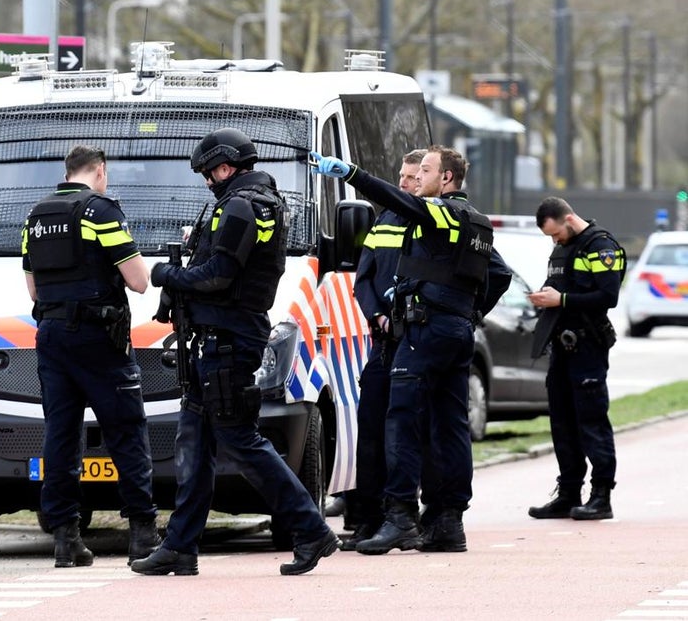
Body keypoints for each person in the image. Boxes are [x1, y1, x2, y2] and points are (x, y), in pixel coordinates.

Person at [132, 128, 339, 578]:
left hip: (229, 340)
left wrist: (167, 275)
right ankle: (180, 547)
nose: (208, 181)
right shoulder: (253, 202)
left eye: (210, 173)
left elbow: (218, 276)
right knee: (195, 443)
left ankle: (310, 529)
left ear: (225, 167)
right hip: (216, 340)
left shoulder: (242, 206)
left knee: (242, 442)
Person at [310, 145, 512, 555]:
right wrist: (468, 312)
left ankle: (401, 517)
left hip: (424, 332)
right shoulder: (476, 221)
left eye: (426, 171)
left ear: (447, 179)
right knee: (449, 426)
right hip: (455, 333)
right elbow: (492, 275)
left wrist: (352, 173)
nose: (418, 178)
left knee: (400, 420)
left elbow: (398, 200)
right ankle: (446, 523)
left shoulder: (445, 213)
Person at [22, 145, 159, 568]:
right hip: (99, 338)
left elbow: (32, 291)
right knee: (125, 430)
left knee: (60, 435)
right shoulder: (101, 211)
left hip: (50, 335)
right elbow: (138, 282)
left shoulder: (36, 217)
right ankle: (142, 533)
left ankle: (66, 538)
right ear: (100, 171)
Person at [340, 148, 426, 551]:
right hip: (383, 339)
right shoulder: (384, 220)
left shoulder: (432, 220)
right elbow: (364, 277)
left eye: (413, 177)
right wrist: (376, 315)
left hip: (418, 339)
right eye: (403, 177)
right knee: (371, 427)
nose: (406, 184)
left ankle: (409, 514)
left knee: (409, 430)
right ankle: (367, 516)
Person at [526, 197, 625, 521]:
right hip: (561, 346)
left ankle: (601, 496)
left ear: (569, 218)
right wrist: (546, 295)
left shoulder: (601, 247)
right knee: (562, 423)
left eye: (556, 234)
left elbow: (607, 297)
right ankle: (568, 493)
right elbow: (559, 284)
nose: (555, 241)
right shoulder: (561, 248)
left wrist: (562, 299)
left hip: (588, 347)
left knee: (592, 421)